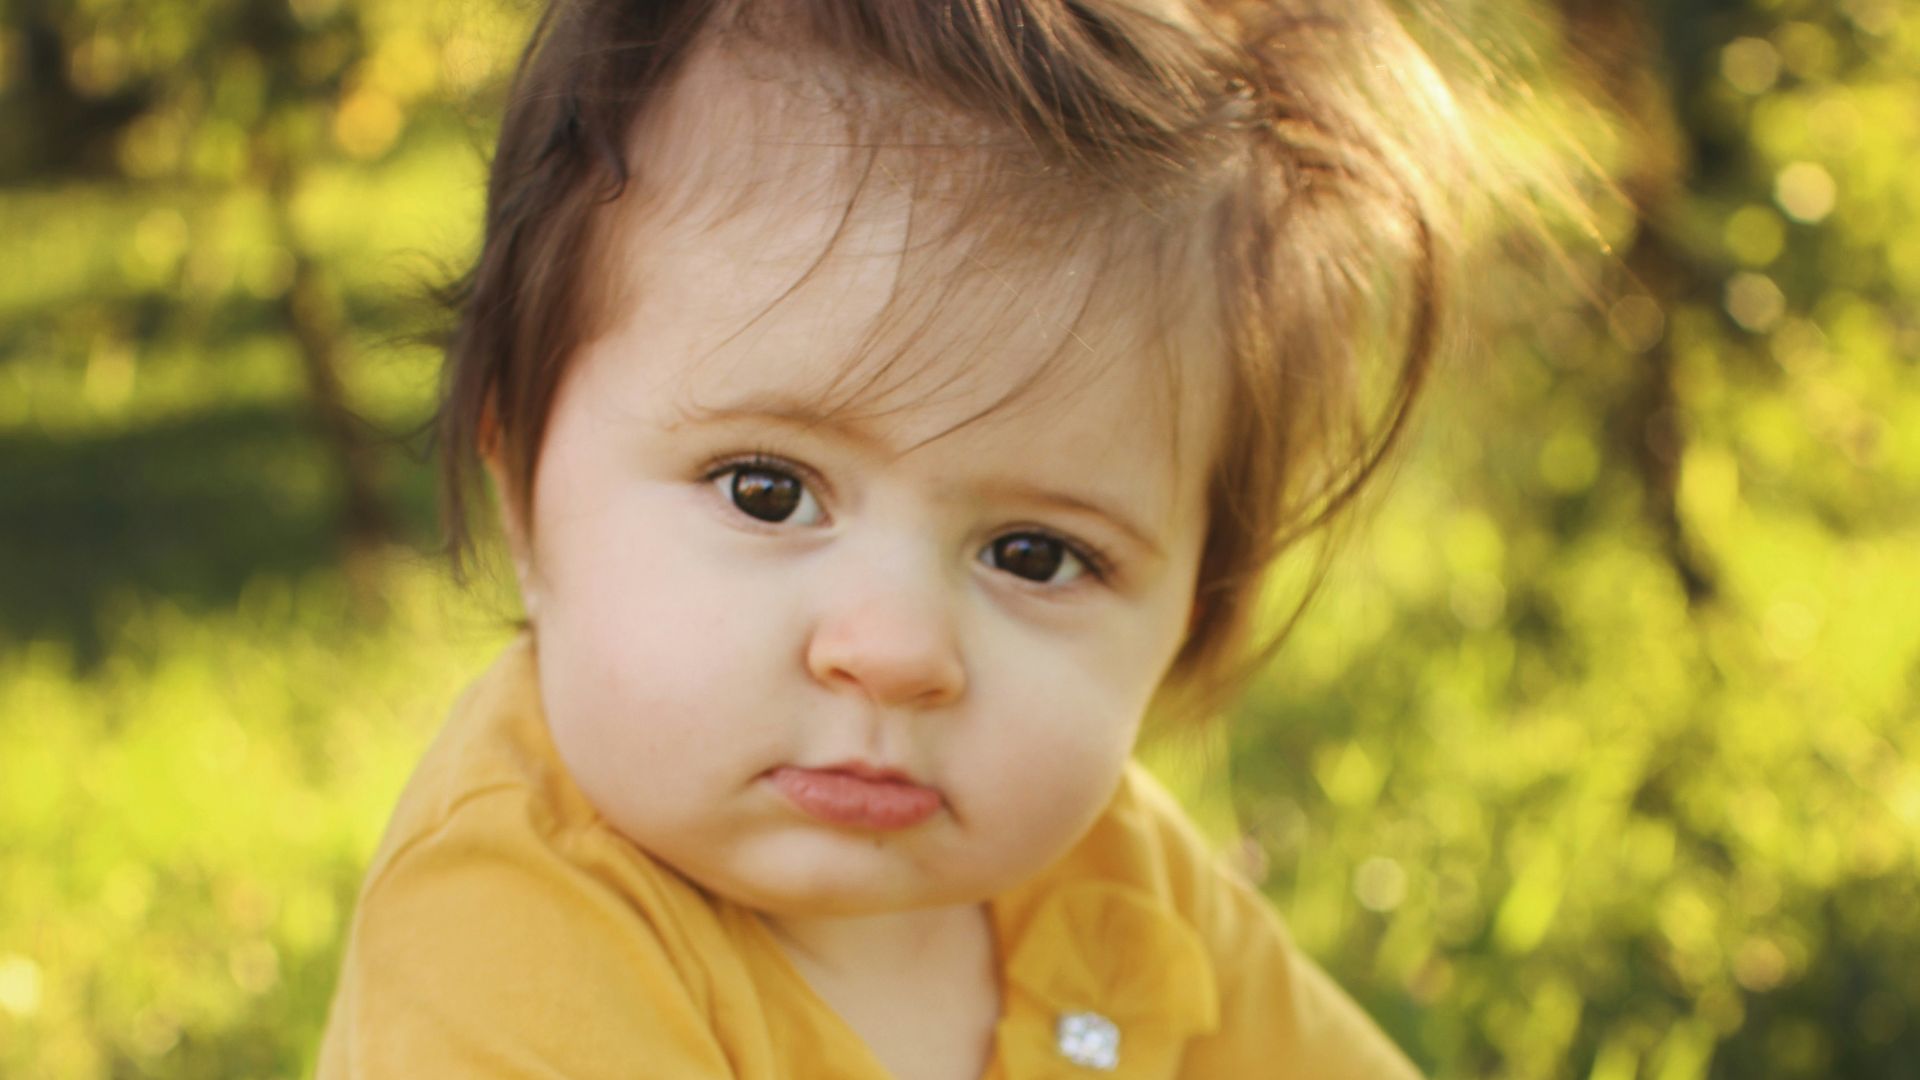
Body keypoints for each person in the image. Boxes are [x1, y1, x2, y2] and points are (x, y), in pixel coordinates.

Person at [319, 0, 1485, 1075]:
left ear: (1194, 597)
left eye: (1034, 554)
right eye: (768, 491)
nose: (896, 650)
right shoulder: (507, 936)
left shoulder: (1106, 880)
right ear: (520, 477)